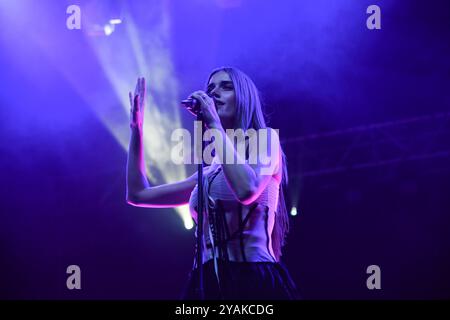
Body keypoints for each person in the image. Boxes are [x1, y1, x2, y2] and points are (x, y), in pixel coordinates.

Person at [126, 67, 300, 300]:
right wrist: (136, 129)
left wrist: (215, 126)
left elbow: (247, 189)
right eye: (211, 88)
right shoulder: (210, 171)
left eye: (226, 87)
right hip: (206, 283)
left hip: (252, 279)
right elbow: (138, 194)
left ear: (244, 97)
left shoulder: (266, 138)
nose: (214, 93)